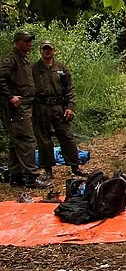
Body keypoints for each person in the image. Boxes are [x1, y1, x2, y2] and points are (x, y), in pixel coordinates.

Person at [0, 31, 47, 188]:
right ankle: (30, 176)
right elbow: (1, 78)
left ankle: (16, 175)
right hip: (17, 106)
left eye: (30, 41)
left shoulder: (23, 59)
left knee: (16, 141)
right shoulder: (11, 59)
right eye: (26, 41)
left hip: (26, 104)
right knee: (27, 140)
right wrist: (10, 97)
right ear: (17, 41)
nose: (29, 44)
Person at [32, 40, 82, 179]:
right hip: (40, 107)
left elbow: (70, 88)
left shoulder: (61, 68)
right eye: (44, 49)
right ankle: (48, 169)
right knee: (44, 139)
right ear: (40, 51)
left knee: (67, 136)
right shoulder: (34, 69)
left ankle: (75, 166)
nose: (47, 52)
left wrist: (70, 107)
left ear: (54, 50)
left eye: (49, 49)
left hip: (58, 107)